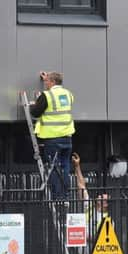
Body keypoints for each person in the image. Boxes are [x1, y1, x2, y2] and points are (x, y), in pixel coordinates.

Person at [29, 71, 75, 201]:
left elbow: (36, 113)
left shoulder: (47, 95)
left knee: (53, 167)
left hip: (53, 138)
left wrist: (34, 104)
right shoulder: (68, 94)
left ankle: (57, 196)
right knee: (65, 166)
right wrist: (47, 77)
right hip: (67, 137)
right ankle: (65, 194)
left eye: (47, 81)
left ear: (53, 82)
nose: (45, 83)